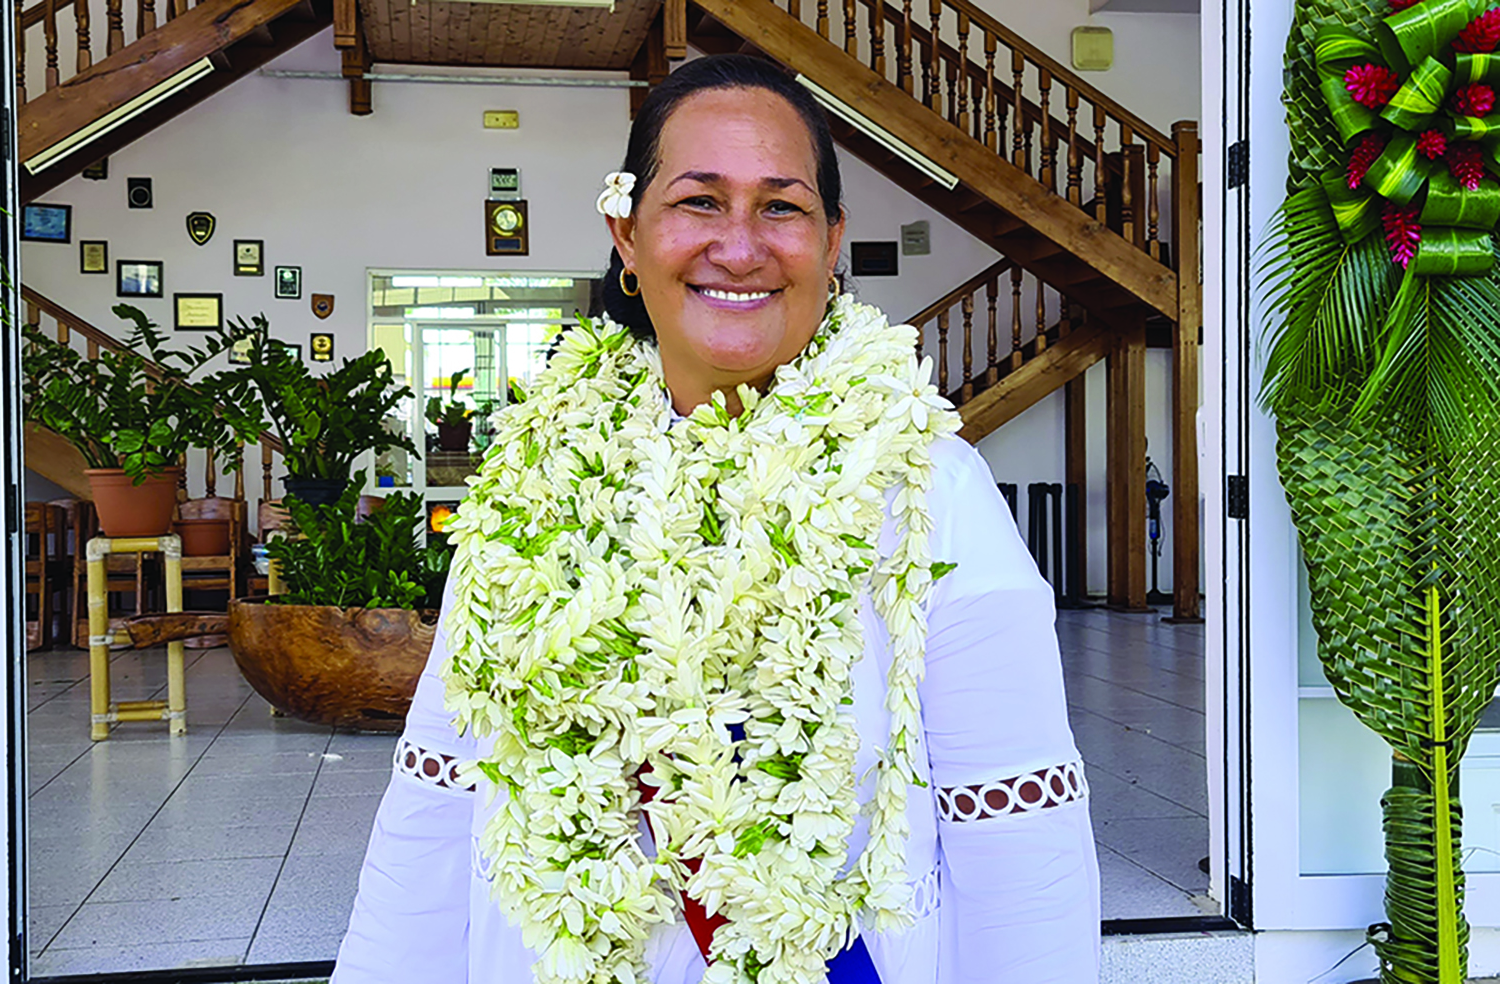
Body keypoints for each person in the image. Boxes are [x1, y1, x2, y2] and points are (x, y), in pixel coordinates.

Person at [332, 53, 1098, 984]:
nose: (739, 246)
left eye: (780, 206)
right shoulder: (529, 483)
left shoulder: (927, 487)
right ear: (626, 233)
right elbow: (441, 797)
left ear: (830, 239)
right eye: (698, 201)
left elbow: (1018, 834)